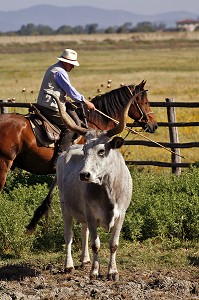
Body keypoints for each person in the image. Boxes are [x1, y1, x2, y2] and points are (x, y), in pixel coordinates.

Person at [36, 48, 95, 161]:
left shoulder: (54, 68)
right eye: (72, 64)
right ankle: (60, 159)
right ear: (66, 62)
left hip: (47, 103)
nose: (73, 67)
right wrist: (85, 101)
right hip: (50, 106)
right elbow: (70, 90)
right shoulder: (60, 72)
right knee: (71, 127)